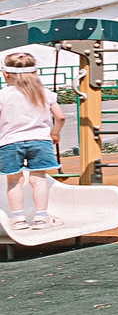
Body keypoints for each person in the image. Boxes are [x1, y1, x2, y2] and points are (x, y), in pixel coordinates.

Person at [0, 51, 69, 229]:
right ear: (35, 72)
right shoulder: (45, 93)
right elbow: (60, 117)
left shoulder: (3, 95)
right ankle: (41, 218)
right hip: (40, 140)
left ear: (5, 74)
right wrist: (55, 133)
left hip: (10, 142)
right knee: (39, 179)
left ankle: (17, 219)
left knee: (14, 181)